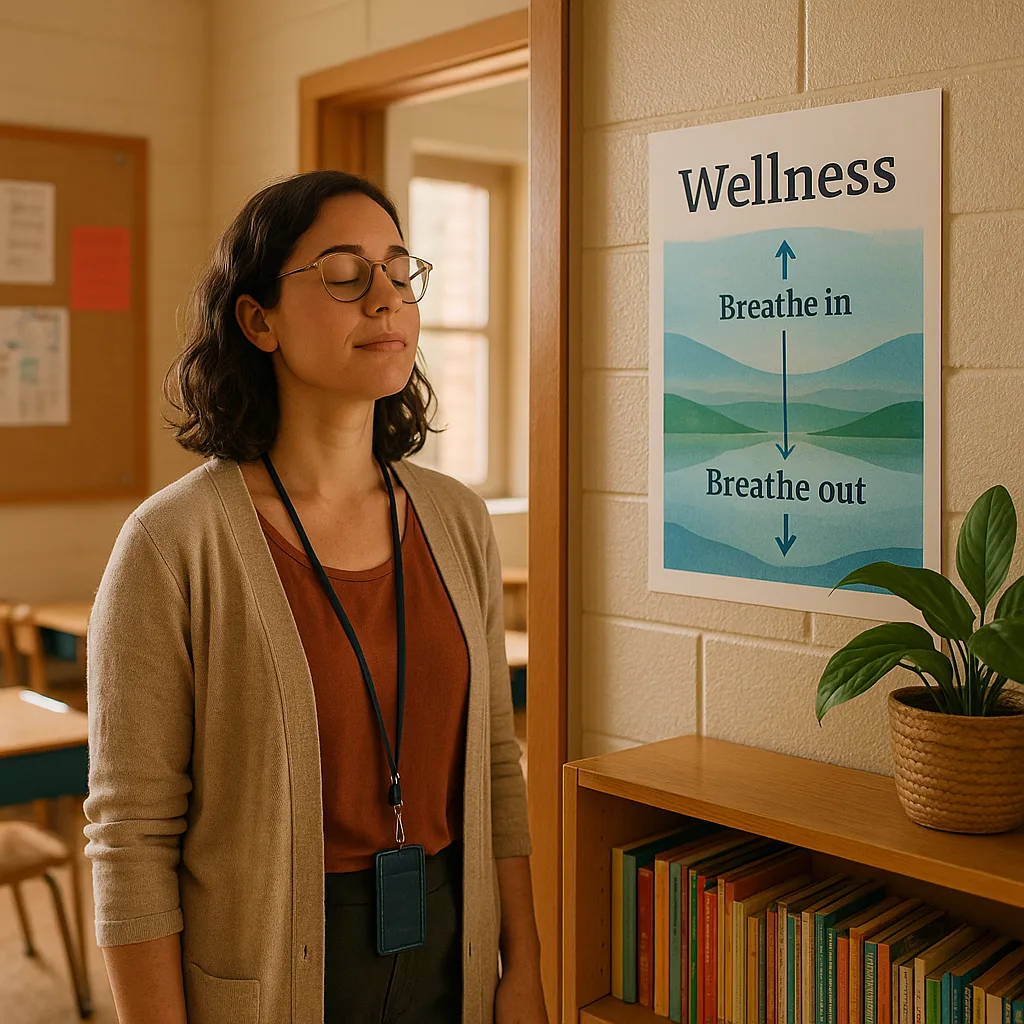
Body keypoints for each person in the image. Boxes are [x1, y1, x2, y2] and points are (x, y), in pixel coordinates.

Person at [83, 170, 547, 1024]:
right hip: (270, 967)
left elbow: (494, 771)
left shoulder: (457, 519)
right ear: (257, 320)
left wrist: (523, 963)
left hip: (453, 949)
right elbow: (131, 838)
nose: (384, 300)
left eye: (400, 271)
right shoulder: (172, 544)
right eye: (343, 274)